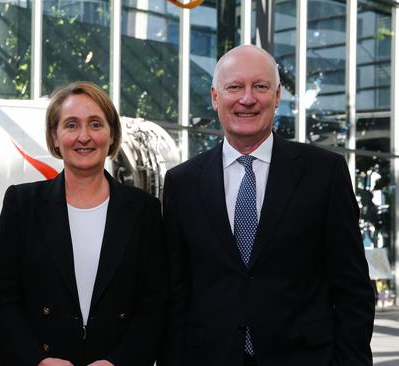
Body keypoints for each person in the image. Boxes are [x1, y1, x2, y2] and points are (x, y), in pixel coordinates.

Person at [159, 45, 375, 366]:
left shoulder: (324, 173)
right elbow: (176, 293)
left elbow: (353, 288)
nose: (247, 98)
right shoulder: (181, 183)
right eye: (234, 87)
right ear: (216, 97)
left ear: (276, 97)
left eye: (260, 86)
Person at [0, 81, 166, 366]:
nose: (84, 136)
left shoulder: (143, 210)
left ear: (111, 135)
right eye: (71, 125)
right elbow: (3, 297)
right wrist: (39, 360)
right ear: (55, 137)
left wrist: (118, 362)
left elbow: (154, 303)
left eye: (95, 124)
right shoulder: (22, 204)